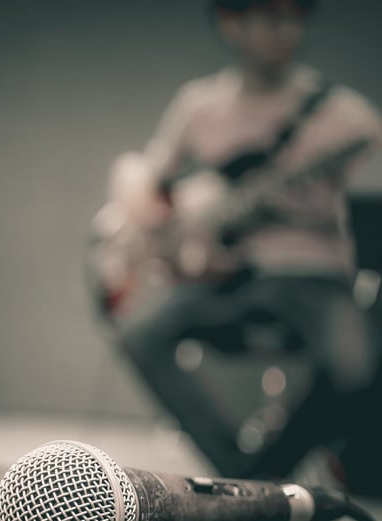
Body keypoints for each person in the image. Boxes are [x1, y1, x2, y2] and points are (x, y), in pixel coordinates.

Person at [100, 0, 382, 491]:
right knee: (140, 331)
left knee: (355, 366)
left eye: (296, 17)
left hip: (313, 274)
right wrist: (155, 217)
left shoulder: (344, 115)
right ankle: (240, 470)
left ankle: (262, 473)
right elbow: (141, 175)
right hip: (230, 276)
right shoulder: (200, 105)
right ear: (232, 22)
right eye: (272, 16)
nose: (287, 30)